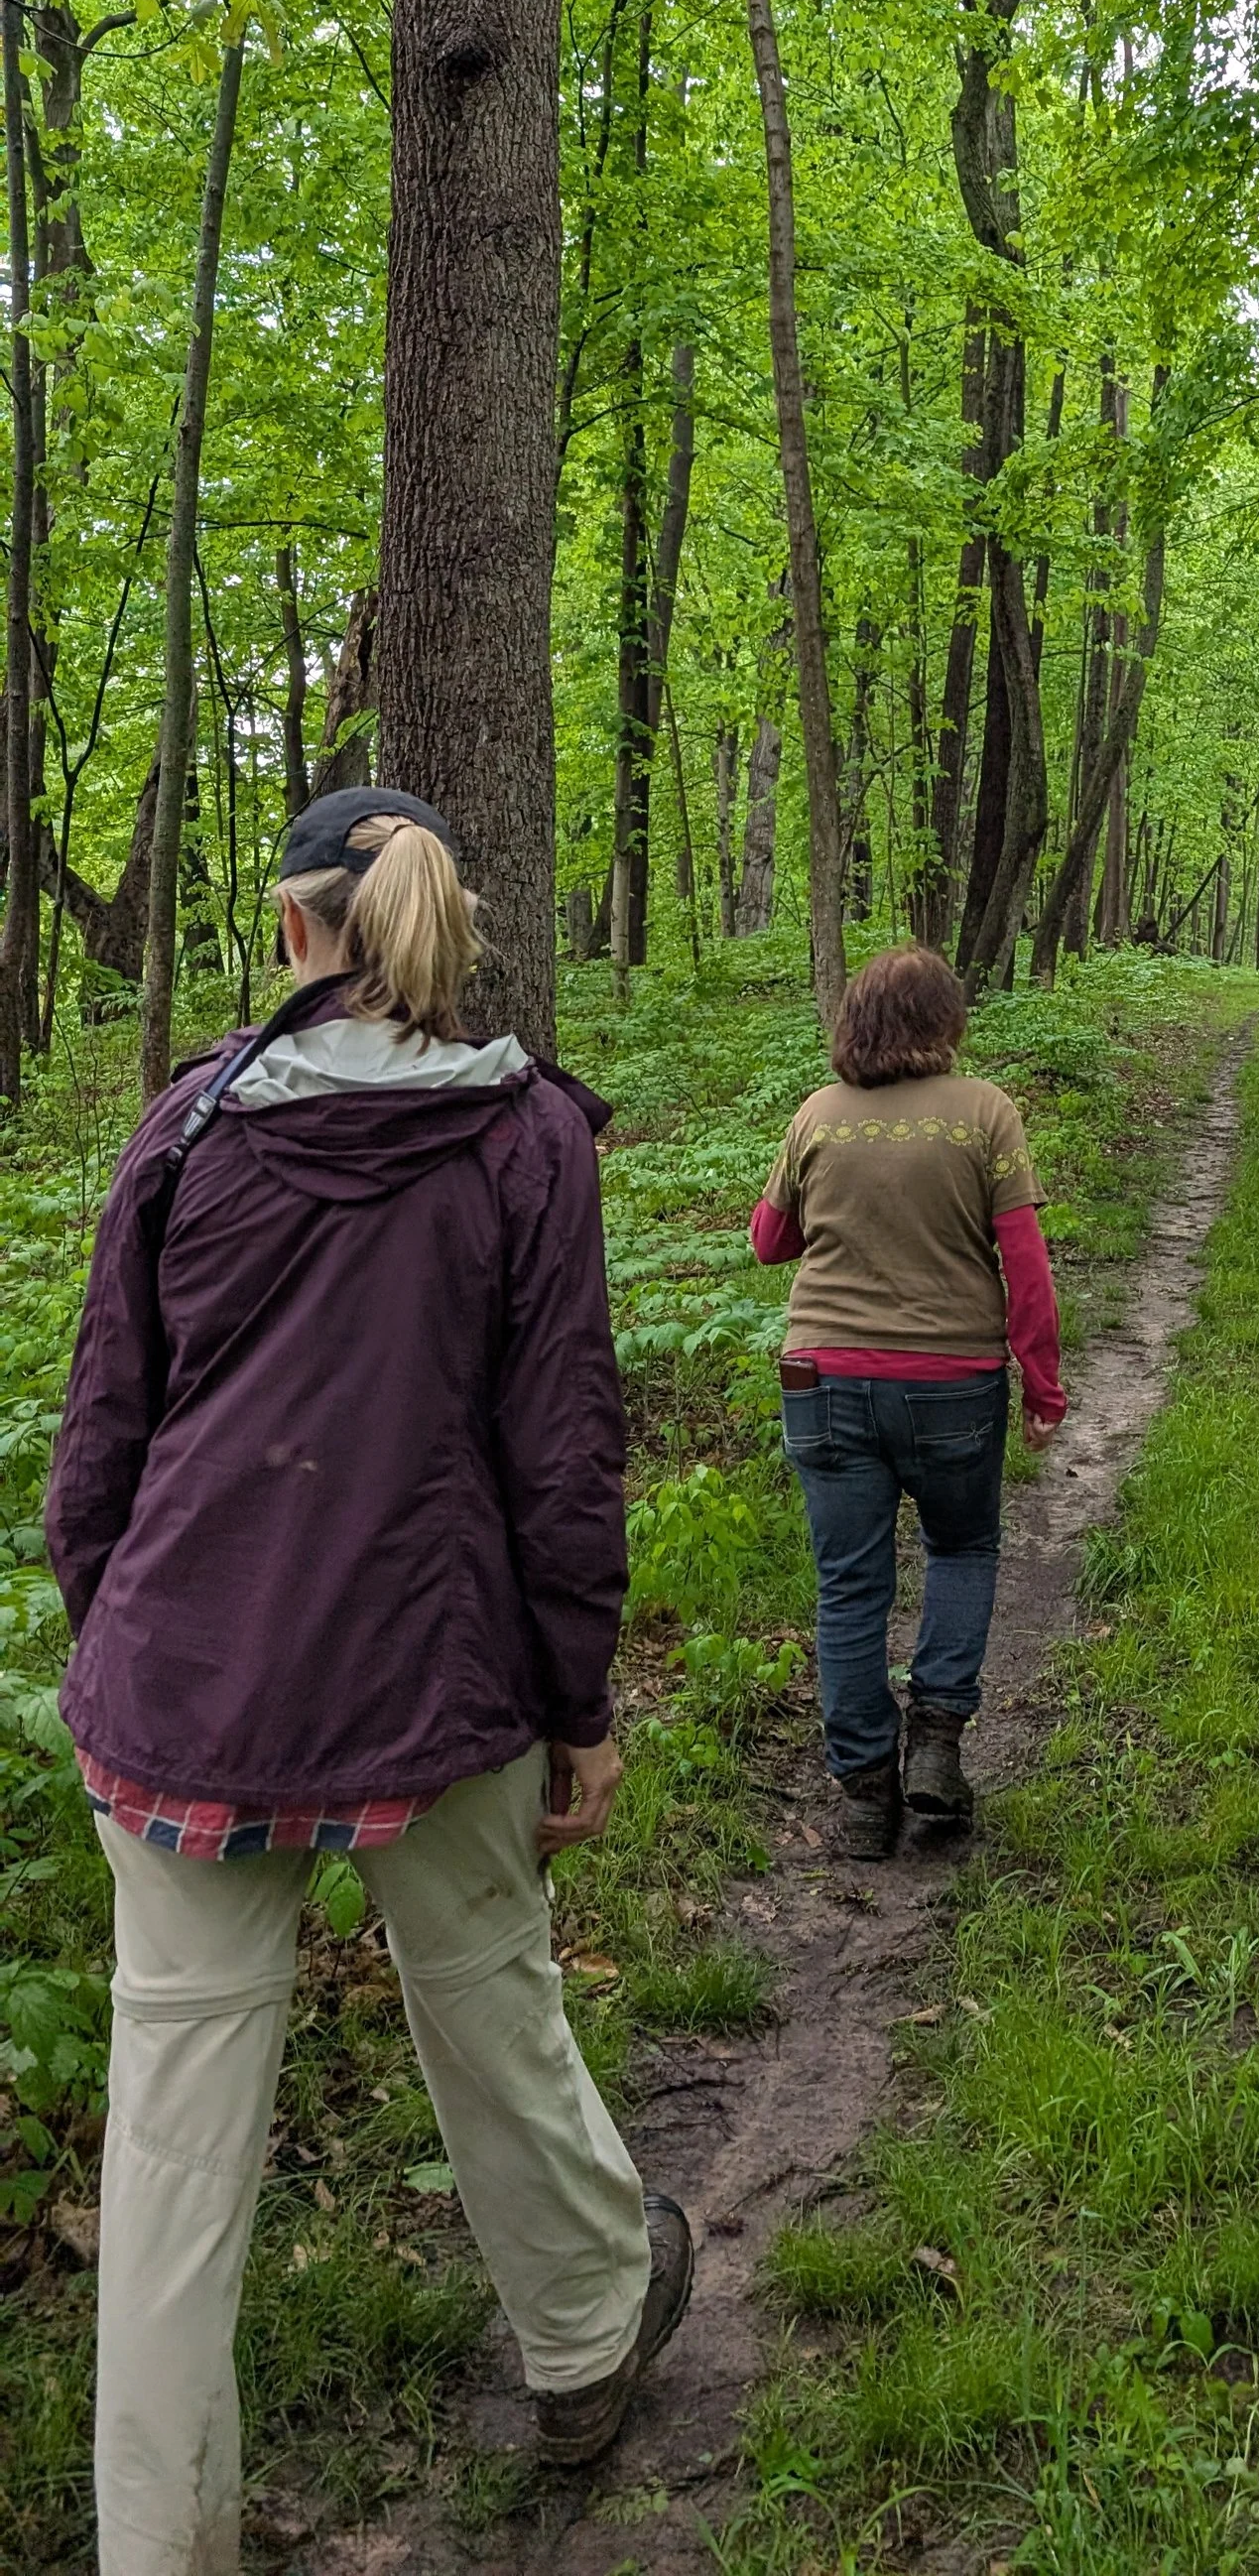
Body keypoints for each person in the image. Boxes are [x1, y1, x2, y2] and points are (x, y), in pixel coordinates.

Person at [46, 790, 692, 2576]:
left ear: (288, 928)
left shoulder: (185, 1128)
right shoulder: (525, 1138)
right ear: (436, 922)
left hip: (187, 1668)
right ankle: (584, 2342)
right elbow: (560, 1444)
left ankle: (157, 2542)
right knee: (488, 1998)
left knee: (173, 2133)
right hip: (437, 1666)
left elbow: (109, 1417)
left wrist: (120, 1635)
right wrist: (582, 1700)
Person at [750, 942, 1066, 1858]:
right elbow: (1026, 1267)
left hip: (822, 1380)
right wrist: (1042, 1385)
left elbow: (770, 1243)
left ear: (856, 1022)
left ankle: (861, 1795)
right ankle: (934, 1742)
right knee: (962, 1547)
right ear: (945, 1023)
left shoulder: (817, 1117)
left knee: (848, 1582)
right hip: (951, 1383)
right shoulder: (984, 1115)